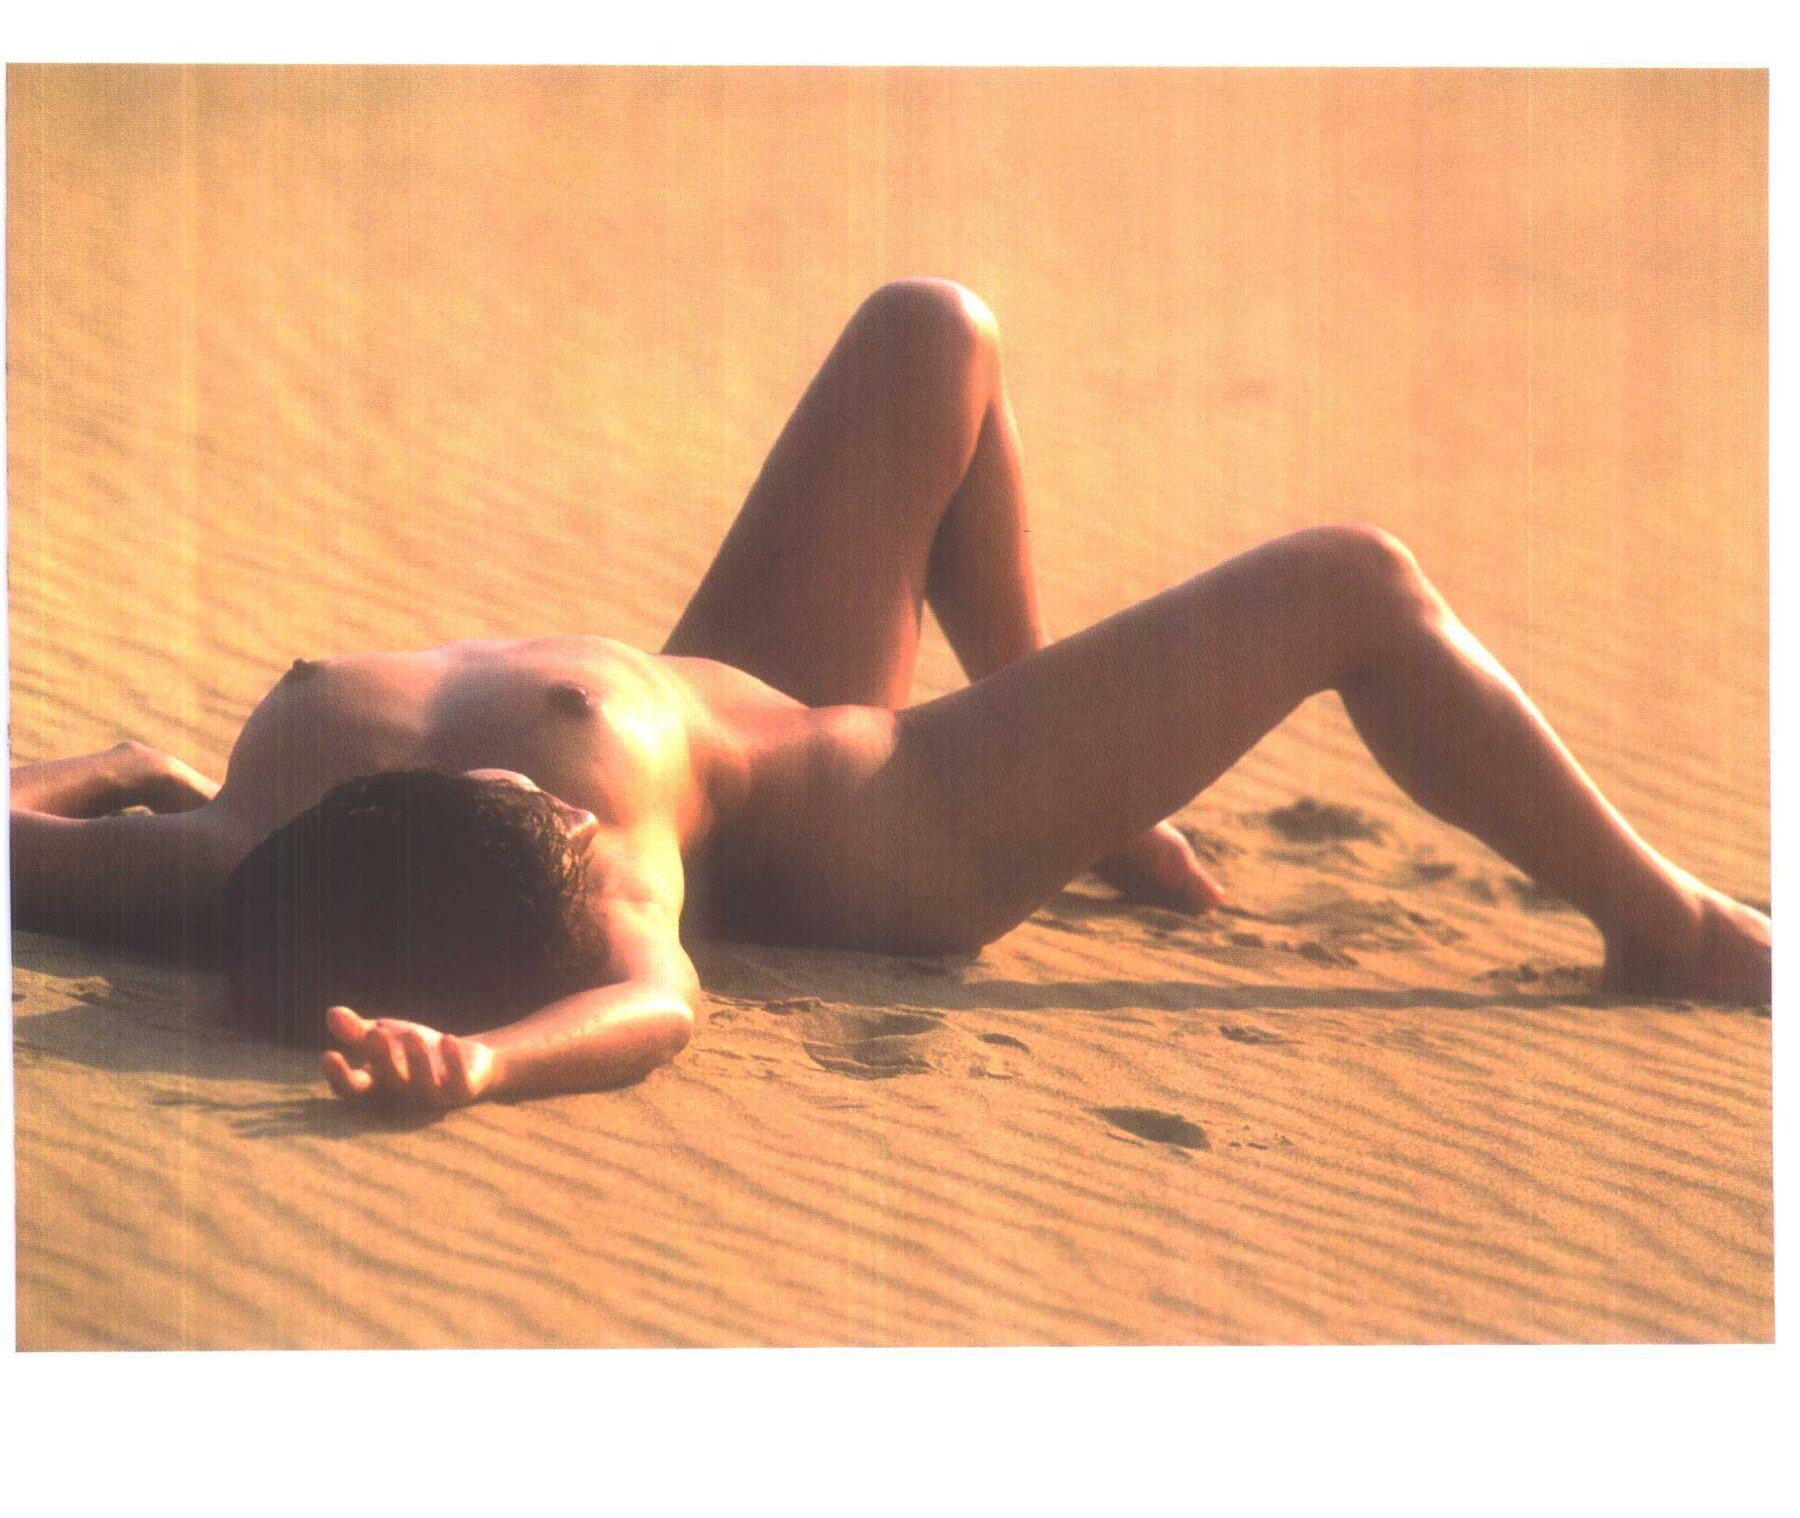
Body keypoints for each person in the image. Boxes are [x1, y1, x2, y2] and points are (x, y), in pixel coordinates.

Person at [10, 280, 1771, 1113]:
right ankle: (1669, 926)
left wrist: (122, 762)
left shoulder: (217, 861)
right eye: (568, 836)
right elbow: (657, 1004)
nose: (556, 814)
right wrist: (475, 1063)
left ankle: (1093, 776)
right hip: (888, 812)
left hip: (733, 683)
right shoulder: (602, 874)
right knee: (1354, 585)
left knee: (933, 332)